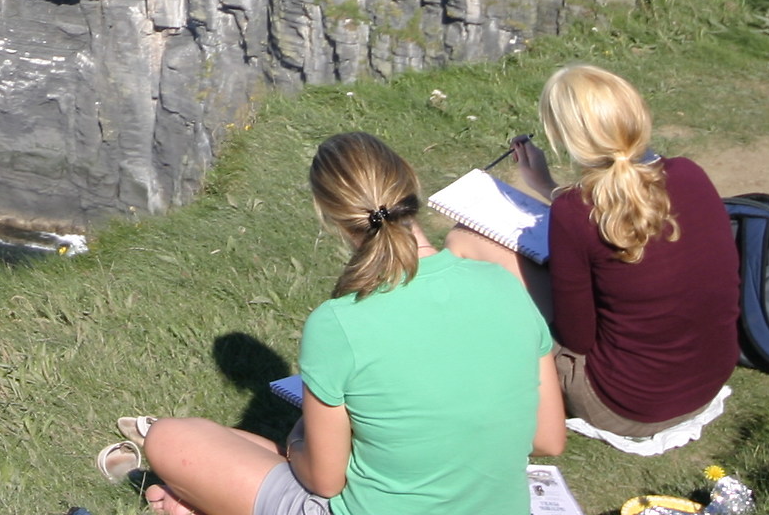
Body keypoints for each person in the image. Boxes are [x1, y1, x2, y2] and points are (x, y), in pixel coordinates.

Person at [102, 132, 563, 515]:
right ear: (411, 185)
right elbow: (548, 439)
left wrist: (301, 434)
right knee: (245, 446)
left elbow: (324, 479)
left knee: (170, 438)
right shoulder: (504, 285)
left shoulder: (340, 322)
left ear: (331, 218)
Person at [450, 65, 738, 438]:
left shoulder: (575, 211)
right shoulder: (688, 172)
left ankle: (467, 381)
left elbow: (577, 337)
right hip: (704, 381)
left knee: (463, 240)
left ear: (564, 137)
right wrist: (549, 187)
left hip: (626, 404)